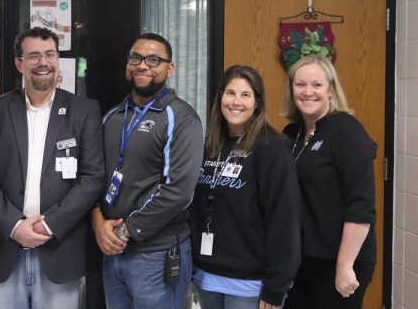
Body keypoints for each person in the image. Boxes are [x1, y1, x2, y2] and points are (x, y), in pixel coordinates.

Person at [0, 27, 105, 309]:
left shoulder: (84, 111)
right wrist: (14, 226)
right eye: (33, 56)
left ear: (58, 59)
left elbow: (92, 177)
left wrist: (50, 223)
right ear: (19, 63)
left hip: (60, 253)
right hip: (4, 252)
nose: (43, 62)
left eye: (49, 54)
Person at [92, 33, 204, 309]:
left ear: (170, 68)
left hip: (157, 254)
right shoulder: (113, 116)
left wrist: (127, 230)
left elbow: (179, 191)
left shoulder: (181, 118)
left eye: (154, 59)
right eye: (136, 58)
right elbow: (94, 177)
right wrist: (98, 222)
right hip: (112, 252)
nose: (143, 65)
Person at [189, 65, 301, 309]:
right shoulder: (209, 146)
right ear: (220, 97)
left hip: (251, 285)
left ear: (257, 103)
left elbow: (284, 221)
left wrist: (275, 287)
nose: (236, 102)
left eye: (245, 95)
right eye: (230, 93)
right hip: (206, 279)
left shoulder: (272, 149)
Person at [281, 54, 377, 309]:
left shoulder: (347, 132)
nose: (307, 92)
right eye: (300, 85)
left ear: (331, 89)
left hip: (341, 259)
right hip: (302, 260)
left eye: (317, 85)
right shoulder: (292, 134)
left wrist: (344, 266)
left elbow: (361, 206)